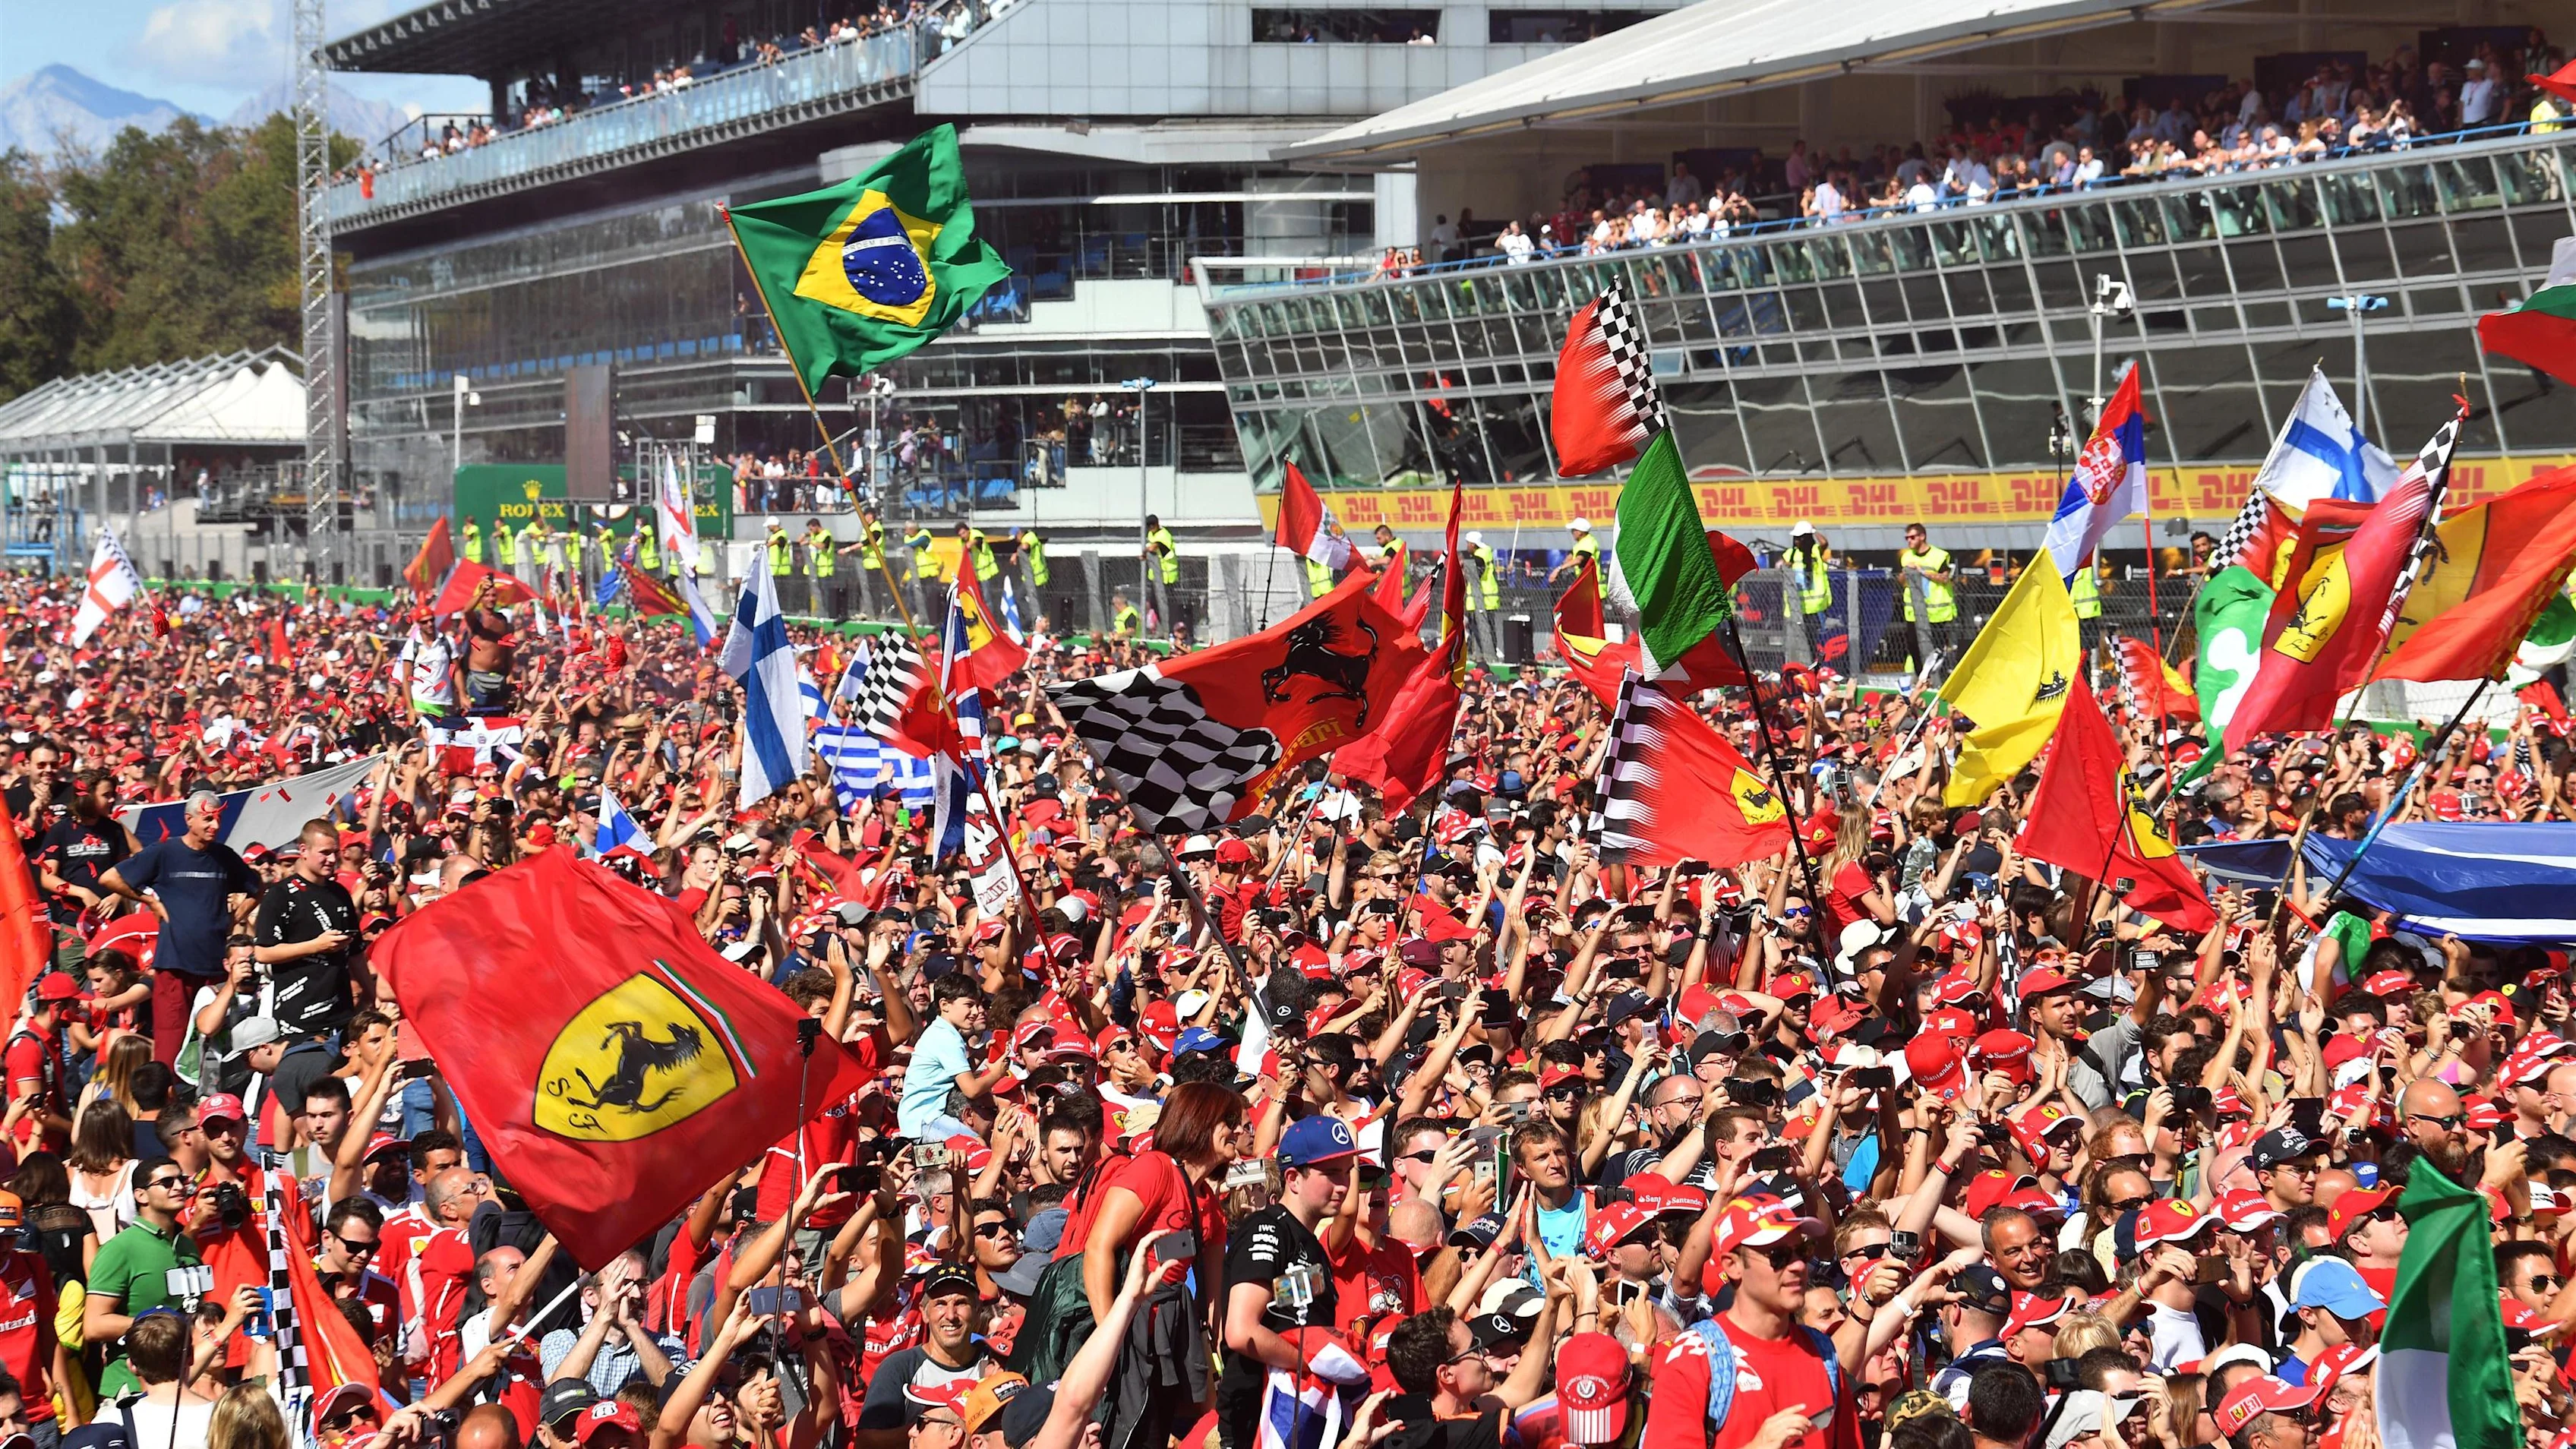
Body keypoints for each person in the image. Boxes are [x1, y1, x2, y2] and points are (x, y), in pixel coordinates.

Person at [96, 796, 259, 1069]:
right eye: (208, 818)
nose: (215, 825)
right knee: (170, 1050)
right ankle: (169, 1106)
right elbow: (109, 878)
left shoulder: (224, 856)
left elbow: (257, 889)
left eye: (218, 818)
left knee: (217, 1047)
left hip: (216, 969)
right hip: (174, 966)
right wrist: (151, 901)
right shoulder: (165, 852)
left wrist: (235, 917)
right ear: (189, 820)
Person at [251, 819, 361, 1040]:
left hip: (342, 1014)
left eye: (335, 852)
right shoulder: (280, 895)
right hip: (299, 1018)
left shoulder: (340, 893)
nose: (331, 859)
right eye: (324, 852)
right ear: (304, 850)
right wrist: (315, 946)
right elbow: (263, 953)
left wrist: (372, 993)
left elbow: (357, 953)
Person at [1896, 522, 1958, 663]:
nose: (1909, 541)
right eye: (1907, 538)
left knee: (1936, 650)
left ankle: (1937, 680)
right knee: (1913, 648)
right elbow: (1901, 581)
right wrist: (1907, 571)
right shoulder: (1906, 557)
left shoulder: (1940, 556)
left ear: (1922, 536)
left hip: (1937, 613)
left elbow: (1945, 578)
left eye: (1912, 537)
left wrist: (1922, 572)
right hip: (1914, 612)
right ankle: (1922, 679)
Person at [1142, 514, 1179, 634]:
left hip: (1167, 576)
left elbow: (1156, 546)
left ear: (1157, 524)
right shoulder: (1151, 534)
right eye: (1149, 527)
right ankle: (1163, 628)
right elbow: (1150, 548)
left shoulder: (1164, 534)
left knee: (1167, 605)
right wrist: (1145, 553)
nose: (1151, 528)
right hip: (1156, 576)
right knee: (1154, 603)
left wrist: (1149, 549)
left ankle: (1171, 630)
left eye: (1153, 526)